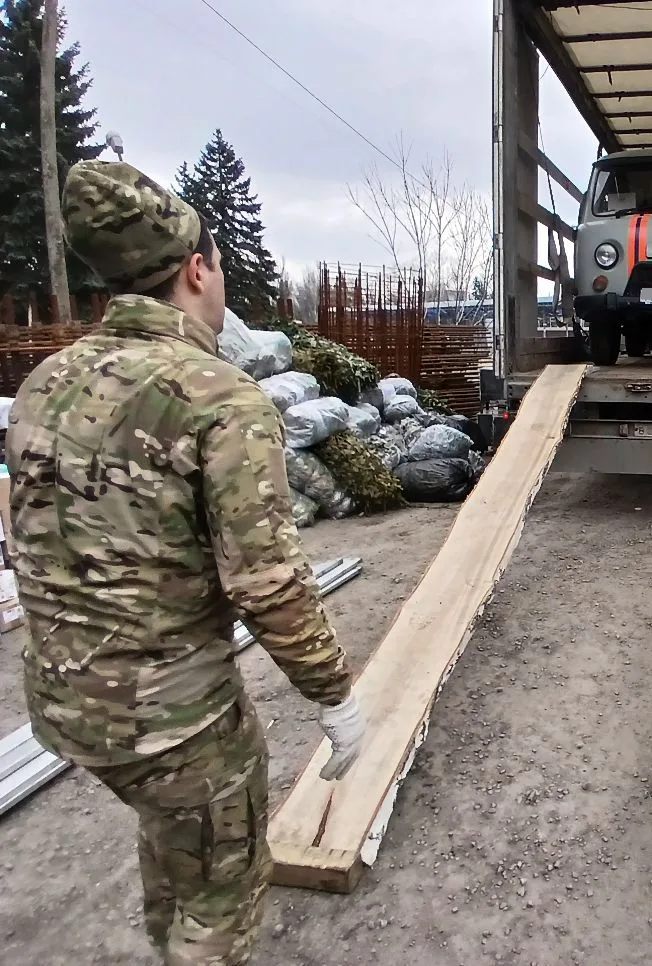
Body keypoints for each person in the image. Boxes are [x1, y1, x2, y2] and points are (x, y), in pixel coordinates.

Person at [5, 160, 366, 966]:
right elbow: (265, 581)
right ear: (198, 268)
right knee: (220, 897)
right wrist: (335, 696)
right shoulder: (218, 397)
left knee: (174, 848)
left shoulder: (42, 383)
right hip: (177, 723)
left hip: (65, 708)